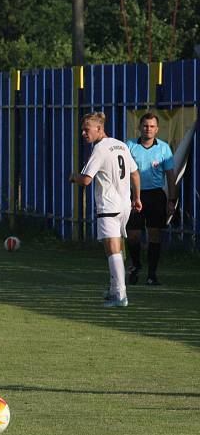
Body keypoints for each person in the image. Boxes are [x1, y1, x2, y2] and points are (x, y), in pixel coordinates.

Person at [70, 112, 142, 307]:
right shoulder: (121, 145)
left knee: (112, 250)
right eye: (83, 129)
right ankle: (113, 290)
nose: (84, 133)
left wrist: (73, 177)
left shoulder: (100, 149)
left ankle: (120, 295)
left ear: (99, 129)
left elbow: (86, 179)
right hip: (124, 204)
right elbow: (135, 173)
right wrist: (136, 197)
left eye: (87, 129)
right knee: (115, 247)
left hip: (108, 204)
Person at [124, 112, 176, 286]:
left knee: (154, 234)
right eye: (145, 126)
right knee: (133, 235)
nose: (148, 129)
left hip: (155, 195)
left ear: (157, 129)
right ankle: (136, 264)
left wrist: (171, 200)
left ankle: (152, 275)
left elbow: (170, 175)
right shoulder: (129, 145)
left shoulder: (164, 148)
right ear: (139, 127)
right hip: (134, 195)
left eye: (152, 126)